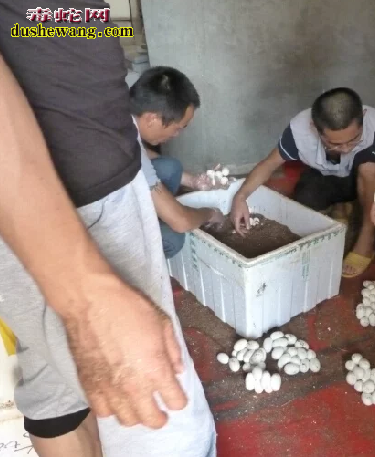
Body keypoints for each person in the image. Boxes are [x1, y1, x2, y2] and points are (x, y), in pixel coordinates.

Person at [0, 2, 216, 456]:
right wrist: (85, 297)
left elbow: (45, 27)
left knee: (55, 384)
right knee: (160, 410)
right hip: (78, 201)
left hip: (68, 193)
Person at [230, 87, 375, 277]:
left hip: (369, 184)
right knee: (305, 200)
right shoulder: (298, 131)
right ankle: (343, 206)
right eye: (334, 143)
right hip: (328, 178)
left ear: (364, 118)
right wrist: (241, 196)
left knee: (371, 168)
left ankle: (366, 240)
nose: (344, 149)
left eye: (353, 140)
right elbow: (268, 165)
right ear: (313, 127)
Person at [131, 66, 226, 258]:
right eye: (178, 128)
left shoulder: (122, 119)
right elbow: (181, 221)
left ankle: (153, 215)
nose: (177, 135)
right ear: (152, 119)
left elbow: (141, 154)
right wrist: (211, 213)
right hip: (91, 229)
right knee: (172, 237)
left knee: (170, 167)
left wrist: (192, 181)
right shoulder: (124, 145)